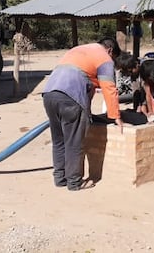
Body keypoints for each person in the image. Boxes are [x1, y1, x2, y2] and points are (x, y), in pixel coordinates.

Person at [42, 37, 124, 191]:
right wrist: (116, 117)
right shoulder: (104, 57)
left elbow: (89, 86)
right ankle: (74, 182)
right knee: (74, 142)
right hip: (70, 98)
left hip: (49, 95)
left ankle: (60, 179)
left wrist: (87, 111)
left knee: (59, 141)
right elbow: (109, 88)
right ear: (110, 51)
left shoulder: (79, 50)